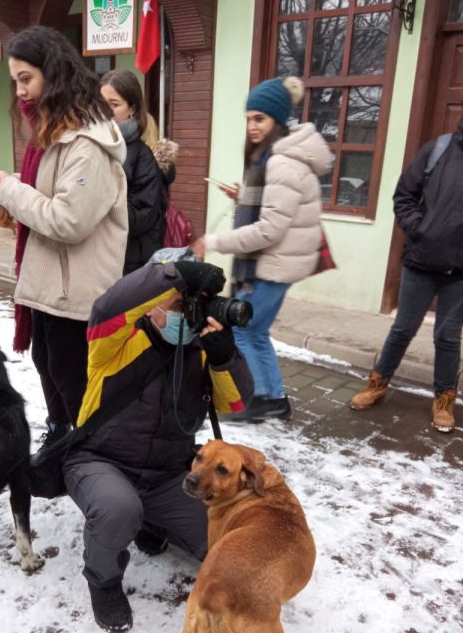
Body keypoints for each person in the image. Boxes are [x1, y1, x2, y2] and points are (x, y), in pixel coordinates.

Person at [62, 249, 254, 633]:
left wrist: (224, 356)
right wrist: (176, 275)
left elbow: (236, 401)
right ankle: (103, 581)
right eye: (177, 303)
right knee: (118, 508)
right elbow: (108, 306)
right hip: (100, 462)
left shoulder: (198, 352)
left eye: (191, 305)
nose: (185, 312)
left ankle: (155, 520)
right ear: (149, 305)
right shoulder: (113, 341)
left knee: (224, 538)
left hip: (168, 474)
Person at [0, 26, 128, 450]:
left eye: (26, 78)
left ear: (54, 73)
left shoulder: (87, 144)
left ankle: (93, 458)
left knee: (73, 379)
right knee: (47, 363)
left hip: (77, 289)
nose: (21, 91)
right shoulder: (53, 135)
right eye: (15, 81)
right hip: (53, 284)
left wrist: (12, 191)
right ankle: (65, 441)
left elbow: (69, 221)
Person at [193, 76, 332, 422]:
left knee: (245, 330)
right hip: (276, 264)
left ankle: (256, 399)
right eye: (249, 118)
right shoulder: (275, 156)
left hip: (273, 265)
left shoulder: (282, 161)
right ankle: (273, 398)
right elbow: (278, 208)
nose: (252, 126)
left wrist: (212, 242)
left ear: (277, 121)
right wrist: (243, 197)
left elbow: (269, 229)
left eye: (260, 119)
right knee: (256, 331)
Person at [350, 123, 463, 432]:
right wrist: (420, 229)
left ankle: (443, 400)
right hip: (421, 262)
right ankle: (377, 384)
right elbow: (403, 196)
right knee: (402, 329)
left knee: (448, 337)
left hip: (460, 272)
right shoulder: (438, 149)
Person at [100, 69, 165, 273]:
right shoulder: (93, 147)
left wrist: (98, 200)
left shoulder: (142, 157)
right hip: (100, 258)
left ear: (132, 108)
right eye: (102, 104)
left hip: (129, 264)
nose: (106, 112)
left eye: (114, 104)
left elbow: (140, 217)